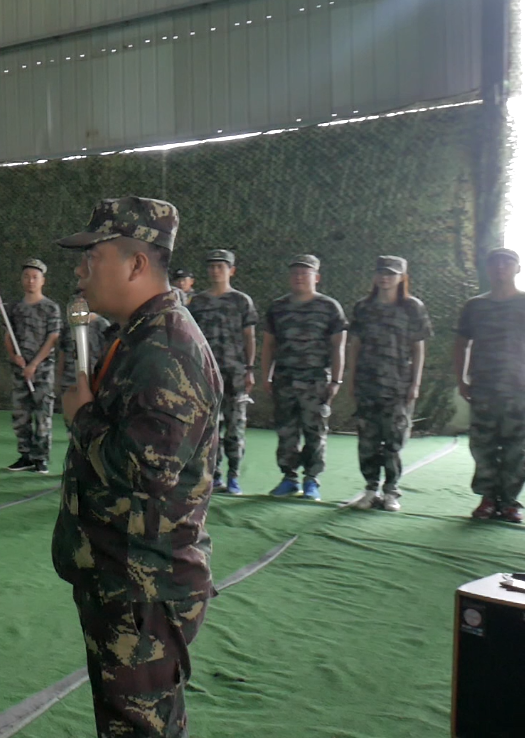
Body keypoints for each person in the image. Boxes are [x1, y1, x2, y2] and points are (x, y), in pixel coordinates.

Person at [54, 196, 221, 737]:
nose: (81, 272)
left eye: (93, 258)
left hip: (145, 585)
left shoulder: (166, 349)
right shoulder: (137, 337)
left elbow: (146, 471)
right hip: (123, 576)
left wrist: (82, 419)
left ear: (136, 264)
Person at [347, 257, 431, 513]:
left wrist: (415, 383)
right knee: (368, 440)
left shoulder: (412, 307)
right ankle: (371, 489)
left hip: (398, 385)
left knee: (394, 440)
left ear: (402, 278)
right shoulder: (363, 307)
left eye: (391, 274)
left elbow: (418, 347)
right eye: (381, 273)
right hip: (367, 384)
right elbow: (355, 344)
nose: (385, 278)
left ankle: (391, 491)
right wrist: (351, 378)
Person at [261, 255, 347, 502]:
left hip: (316, 381)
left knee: (315, 431)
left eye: (305, 273)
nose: (299, 277)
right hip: (284, 380)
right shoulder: (277, 307)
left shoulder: (329, 307)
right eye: (295, 273)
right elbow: (268, 345)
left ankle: (311, 480)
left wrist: (336, 380)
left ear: (316, 277)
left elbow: (338, 346)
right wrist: (266, 376)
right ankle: (289, 479)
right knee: (286, 432)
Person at [454, 247, 525, 523]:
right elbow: (461, 343)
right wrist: (461, 379)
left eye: (507, 263)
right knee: (482, 445)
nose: (500, 268)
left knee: (517, 447)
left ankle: (509, 502)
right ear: (488, 269)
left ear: (518, 268)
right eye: (495, 263)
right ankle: (487, 498)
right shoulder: (475, 306)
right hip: (484, 387)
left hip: (519, 389)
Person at [187, 249, 258, 495]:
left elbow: (249, 337)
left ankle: (233, 477)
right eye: (212, 266)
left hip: (234, 374)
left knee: (235, 428)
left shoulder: (241, 301)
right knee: (207, 428)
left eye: (221, 266)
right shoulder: (197, 302)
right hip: (205, 375)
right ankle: (212, 476)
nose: (215, 271)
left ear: (231, 270)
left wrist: (249, 369)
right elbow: (190, 337)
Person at [4, 258, 61, 474]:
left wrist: (34, 364)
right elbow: (8, 335)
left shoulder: (50, 308)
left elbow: (53, 337)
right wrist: (14, 357)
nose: (30, 281)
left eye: (35, 277)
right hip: (20, 369)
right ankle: (25, 455)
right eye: (27, 277)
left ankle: (41, 458)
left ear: (42, 281)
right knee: (21, 414)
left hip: (42, 370)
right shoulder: (14, 308)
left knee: (43, 413)